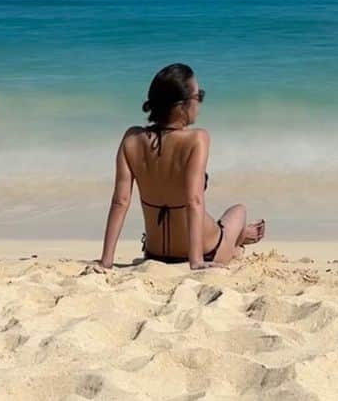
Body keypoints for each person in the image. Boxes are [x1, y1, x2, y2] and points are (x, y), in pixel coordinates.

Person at [94, 62, 265, 271]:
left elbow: (120, 202)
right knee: (239, 210)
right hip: (206, 248)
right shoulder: (197, 139)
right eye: (198, 97)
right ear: (182, 105)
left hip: (154, 252)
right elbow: (194, 200)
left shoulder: (132, 139)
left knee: (227, 222)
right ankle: (236, 241)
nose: (200, 104)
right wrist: (196, 261)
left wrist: (106, 261)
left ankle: (237, 238)